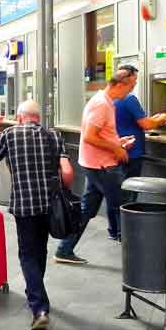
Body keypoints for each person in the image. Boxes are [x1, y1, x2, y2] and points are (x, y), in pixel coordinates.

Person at [0, 100, 73, 330]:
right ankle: (36, 292)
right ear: (38, 118)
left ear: (21, 117)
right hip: (48, 205)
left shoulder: (9, 134)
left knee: (27, 254)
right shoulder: (53, 136)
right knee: (40, 250)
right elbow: (68, 173)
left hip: (24, 204)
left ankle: (39, 307)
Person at [55, 67, 137, 264]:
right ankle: (141, 256)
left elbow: (99, 134)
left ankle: (64, 250)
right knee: (127, 205)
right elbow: (90, 136)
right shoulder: (102, 104)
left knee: (86, 210)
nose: (133, 89)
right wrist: (117, 149)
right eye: (132, 85)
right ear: (120, 84)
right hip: (103, 167)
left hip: (96, 164)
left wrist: (119, 142)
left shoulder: (105, 102)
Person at [113, 65, 166, 197]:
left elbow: (131, 120)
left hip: (117, 150)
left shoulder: (112, 99)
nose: (135, 84)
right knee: (130, 192)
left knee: (120, 190)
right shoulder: (129, 99)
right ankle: (127, 216)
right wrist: (163, 118)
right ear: (126, 80)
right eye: (134, 80)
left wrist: (153, 119)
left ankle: (121, 215)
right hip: (131, 152)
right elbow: (146, 125)